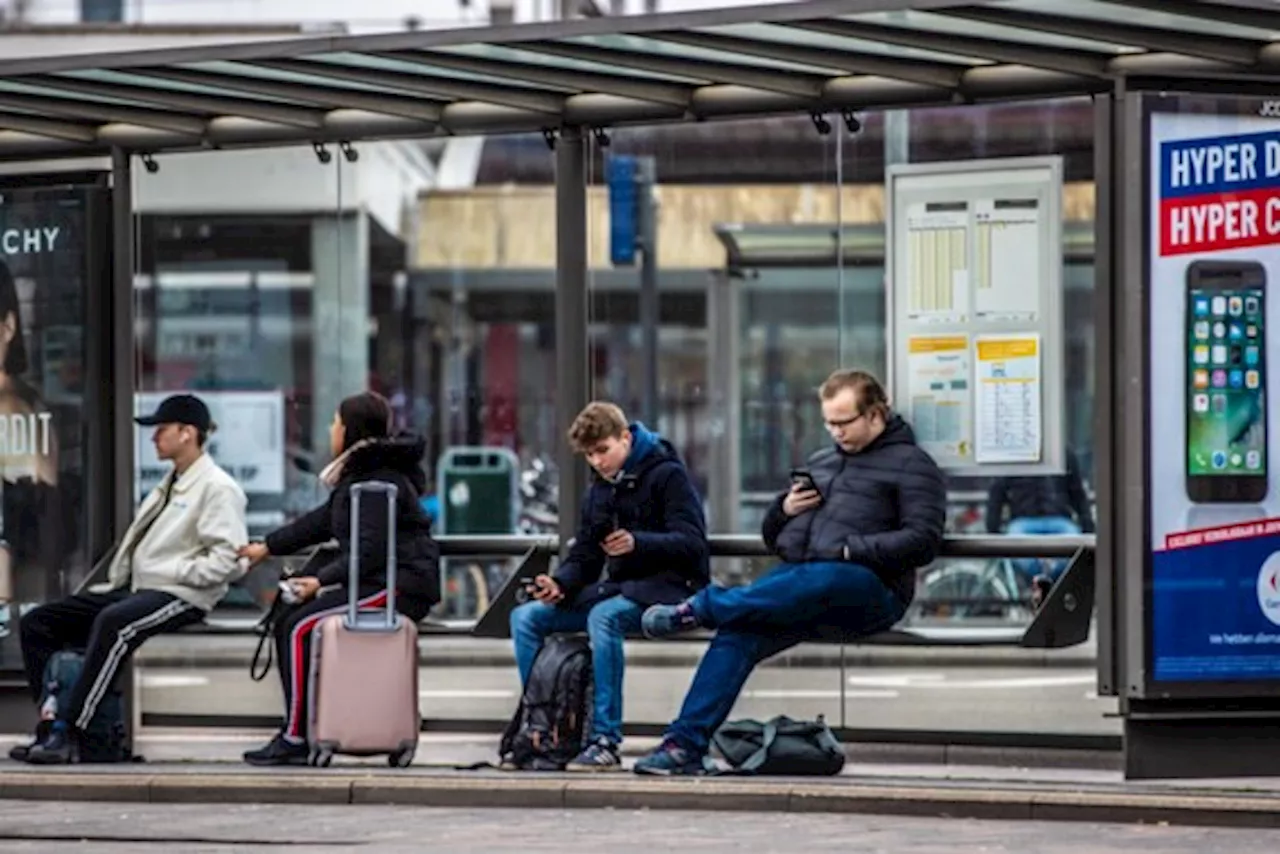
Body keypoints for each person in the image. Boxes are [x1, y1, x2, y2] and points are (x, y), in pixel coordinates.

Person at [635, 369, 945, 776]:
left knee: (828, 575)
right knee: (739, 630)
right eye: (828, 422)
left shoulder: (912, 464)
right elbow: (775, 540)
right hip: (802, 586)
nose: (835, 432)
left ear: (875, 415)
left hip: (870, 591)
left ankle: (704, 606)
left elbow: (924, 539)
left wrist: (853, 549)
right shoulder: (822, 461)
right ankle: (683, 746)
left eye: (843, 422)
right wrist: (783, 511)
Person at [15, 394, 247, 764]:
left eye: (161, 429)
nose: (154, 438)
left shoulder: (217, 488)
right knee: (38, 623)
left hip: (181, 595)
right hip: (140, 589)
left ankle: (69, 732)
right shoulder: (170, 483)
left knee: (115, 624)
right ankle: (51, 721)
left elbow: (229, 561)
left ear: (188, 433)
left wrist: (172, 572)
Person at [238, 391, 441, 767]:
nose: (331, 429)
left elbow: (370, 551)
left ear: (349, 430)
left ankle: (296, 738)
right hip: (378, 581)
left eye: (335, 422)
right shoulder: (362, 475)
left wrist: (320, 581)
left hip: (399, 585)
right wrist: (267, 546)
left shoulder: (378, 482)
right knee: (288, 622)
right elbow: (321, 522)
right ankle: (297, 730)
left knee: (300, 629)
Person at [510, 401, 709, 771]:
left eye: (603, 450)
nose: (598, 462)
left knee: (604, 617)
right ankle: (545, 727)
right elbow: (586, 554)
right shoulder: (601, 489)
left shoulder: (668, 475)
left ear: (626, 438)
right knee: (527, 617)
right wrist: (559, 583)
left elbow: (693, 542)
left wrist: (639, 542)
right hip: (622, 590)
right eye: (589, 455)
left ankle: (605, 739)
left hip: (669, 590)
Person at [984, 448, 1094, 596]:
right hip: (1033, 520)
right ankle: (1049, 577)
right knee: (1070, 544)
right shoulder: (1062, 451)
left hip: (1050, 520)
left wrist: (993, 529)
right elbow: (1078, 493)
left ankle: (1040, 580)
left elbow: (1077, 492)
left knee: (1070, 539)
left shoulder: (1063, 452)